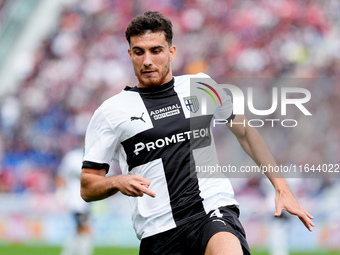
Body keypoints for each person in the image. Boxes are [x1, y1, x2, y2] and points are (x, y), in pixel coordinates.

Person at [80, 11, 314, 255]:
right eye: (139, 52)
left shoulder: (201, 86)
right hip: (158, 231)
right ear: (130, 55)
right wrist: (117, 181)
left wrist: (280, 184)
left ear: (171, 52)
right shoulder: (110, 112)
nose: (147, 60)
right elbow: (88, 186)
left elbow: (244, 131)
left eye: (156, 50)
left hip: (212, 211)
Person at [56, 148, 93, 255]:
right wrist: (61, 193)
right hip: (76, 202)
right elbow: (60, 176)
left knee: (79, 230)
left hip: (86, 202)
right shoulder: (72, 157)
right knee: (85, 229)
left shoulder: (94, 157)